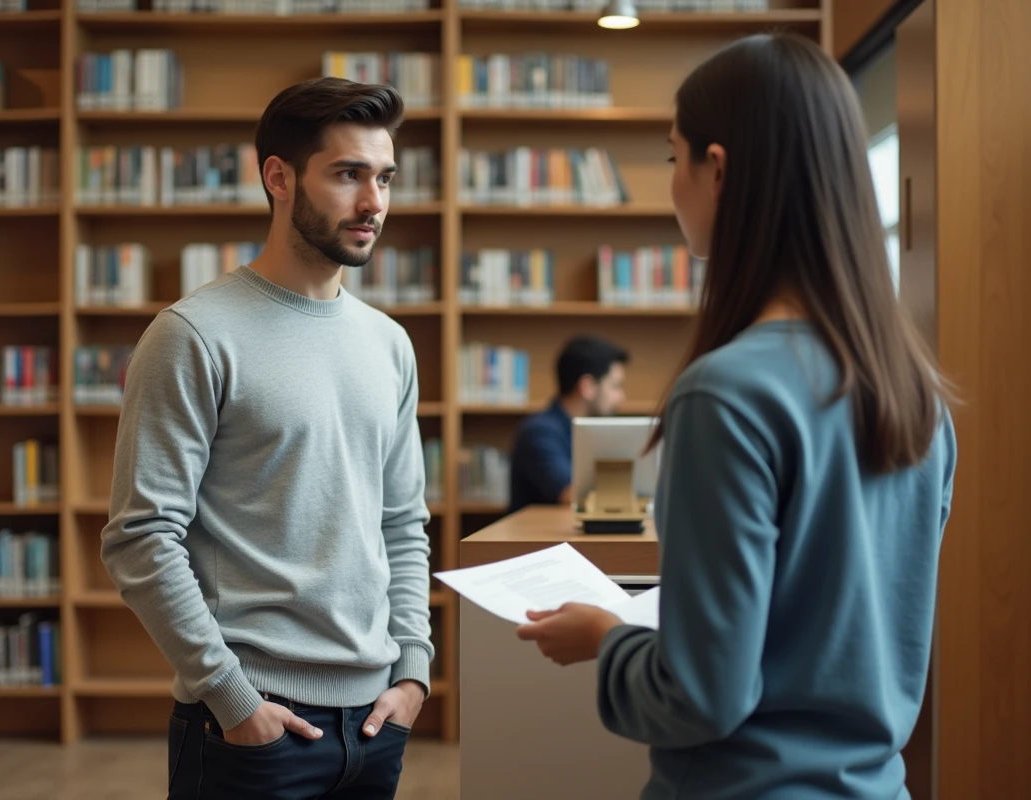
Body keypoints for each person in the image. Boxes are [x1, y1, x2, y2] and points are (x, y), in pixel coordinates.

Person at [515, 33, 957, 800]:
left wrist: (607, 638)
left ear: (715, 170)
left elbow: (701, 696)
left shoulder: (725, 394)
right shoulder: (914, 390)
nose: (671, 183)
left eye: (670, 156)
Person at [101, 77, 433, 800]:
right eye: (348, 175)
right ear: (278, 178)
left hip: (376, 722)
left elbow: (402, 523)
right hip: (252, 726)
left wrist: (412, 671)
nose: (374, 202)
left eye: (384, 178)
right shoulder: (193, 335)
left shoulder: (389, 344)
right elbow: (140, 535)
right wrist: (232, 699)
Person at [506, 335, 629, 514]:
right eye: (615, 386)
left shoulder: (586, 431)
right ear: (587, 387)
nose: (621, 398)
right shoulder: (539, 432)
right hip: (542, 540)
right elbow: (572, 495)